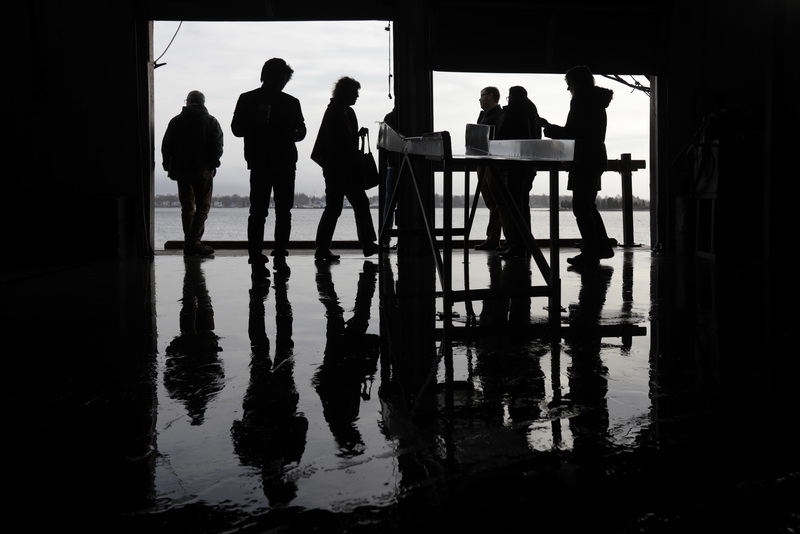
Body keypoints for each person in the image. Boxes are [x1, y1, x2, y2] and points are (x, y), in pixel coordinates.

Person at [232, 58, 307, 279]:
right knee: (283, 210)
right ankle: (280, 253)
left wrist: (253, 123)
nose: (283, 83)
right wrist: (293, 133)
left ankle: (255, 253)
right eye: (283, 79)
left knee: (258, 210)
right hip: (284, 161)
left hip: (259, 161)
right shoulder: (292, 102)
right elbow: (301, 131)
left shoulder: (247, 98)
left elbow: (237, 129)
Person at [538, 65, 615, 267]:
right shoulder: (596, 102)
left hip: (584, 159)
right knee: (588, 206)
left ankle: (592, 251)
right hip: (595, 157)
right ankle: (600, 247)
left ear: (576, 83)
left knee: (581, 208)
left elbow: (572, 132)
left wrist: (548, 128)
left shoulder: (581, 101)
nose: (567, 89)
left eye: (569, 84)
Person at [311, 76, 380, 262]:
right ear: (346, 93)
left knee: (336, 207)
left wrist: (355, 136)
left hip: (338, 168)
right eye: (355, 93)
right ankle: (365, 244)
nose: (357, 96)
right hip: (341, 169)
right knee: (355, 205)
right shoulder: (340, 112)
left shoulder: (338, 111)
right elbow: (339, 142)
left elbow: (336, 140)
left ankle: (323, 247)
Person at [161, 90, 224, 256]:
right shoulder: (211, 121)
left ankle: (190, 242)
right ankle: (193, 242)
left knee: (187, 207)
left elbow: (166, 146)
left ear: (188, 102)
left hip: (181, 170)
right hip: (202, 170)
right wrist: (212, 165)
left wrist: (169, 166)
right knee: (203, 206)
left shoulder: (175, 122)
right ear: (203, 102)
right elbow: (217, 146)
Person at [495, 85, 542, 258]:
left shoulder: (514, 110)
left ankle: (516, 244)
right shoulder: (532, 109)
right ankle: (525, 244)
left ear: (511, 96)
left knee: (514, 205)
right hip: (529, 164)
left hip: (515, 163)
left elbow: (503, 135)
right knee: (523, 204)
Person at [474, 86, 505, 251]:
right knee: (491, 201)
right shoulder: (486, 115)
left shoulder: (499, 116)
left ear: (491, 96)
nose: (479, 99)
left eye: (482, 95)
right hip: (484, 162)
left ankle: (493, 238)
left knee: (496, 202)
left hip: (492, 164)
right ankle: (494, 238)